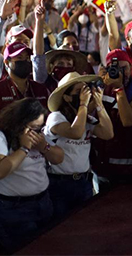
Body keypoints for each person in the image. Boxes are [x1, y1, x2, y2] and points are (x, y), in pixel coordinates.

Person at [0, 98, 64, 253]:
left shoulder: (38, 136)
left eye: (39, 128)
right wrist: (24, 149)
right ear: (19, 123)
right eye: (33, 128)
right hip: (13, 209)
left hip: (42, 202)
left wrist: (44, 147)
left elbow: (59, 158)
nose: (36, 132)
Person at [44, 72, 113, 219]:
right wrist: (83, 105)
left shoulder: (86, 118)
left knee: (84, 223)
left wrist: (99, 104)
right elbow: (75, 132)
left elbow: (108, 133)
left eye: (85, 89)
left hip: (83, 181)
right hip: (60, 183)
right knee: (61, 225)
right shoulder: (56, 117)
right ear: (67, 97)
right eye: (79, 91)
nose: (84, 94)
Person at [92, 49, 132, 188]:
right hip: (101, 165)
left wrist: (119, 89)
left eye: (123, 68)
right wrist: (97, 84)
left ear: (131, 67)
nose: (119, 72)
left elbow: (128, 121)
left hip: (129, 167)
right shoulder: (103, 86)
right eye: (113, 68)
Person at [0, 42, 49, 121]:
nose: (25, 61)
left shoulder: (41, 90)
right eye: (19, 57)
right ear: (7, 62)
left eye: (27, 58)